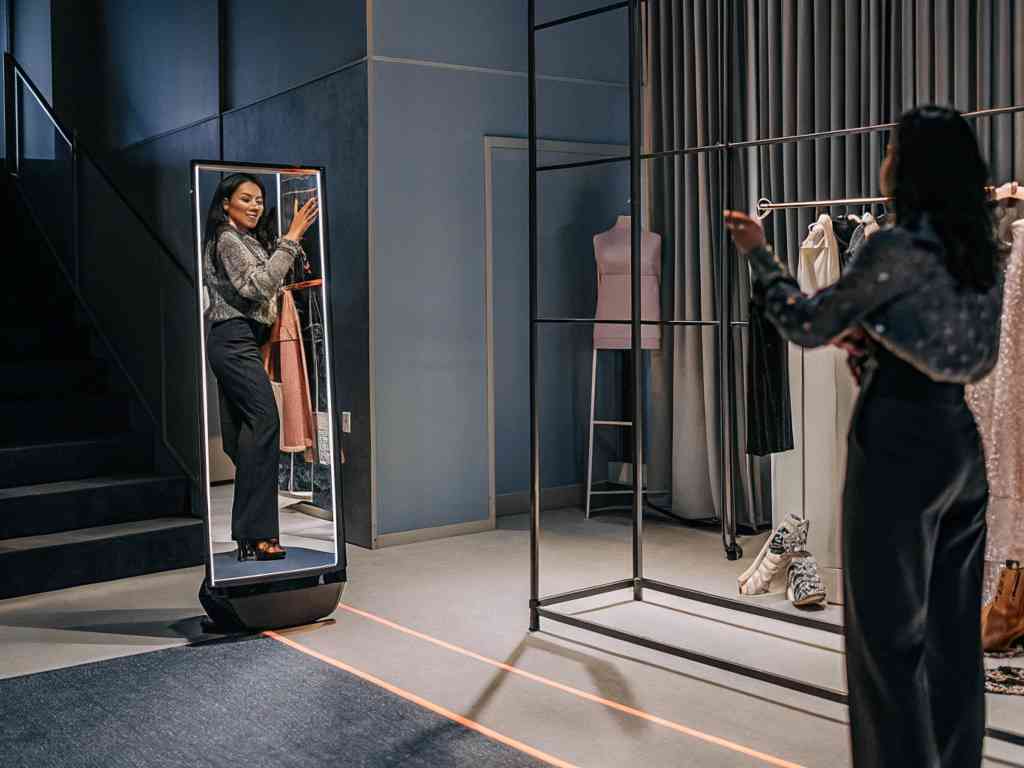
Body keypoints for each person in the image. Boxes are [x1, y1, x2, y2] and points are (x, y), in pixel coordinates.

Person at [725, 106, 1003, 768]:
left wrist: (758, 255)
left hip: (896, 443)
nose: (882, 163)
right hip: (960, 445)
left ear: (908, 169)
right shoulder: (978, 255)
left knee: (887, 648)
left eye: (890, 151)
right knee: (953, 645)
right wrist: (881, 339)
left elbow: (802, 321)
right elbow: (974, 355)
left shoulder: (892, 249)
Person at [202, 173, 318, 562]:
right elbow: (258, 286)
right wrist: (293, 235)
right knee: (265, 422)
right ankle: (258, 533)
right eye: (246, 198)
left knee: (244, 441)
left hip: (244, 339)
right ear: (225, 203)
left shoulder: (247, 239)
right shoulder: (226, 239)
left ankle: (250, 535)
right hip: (232, 339)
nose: (254, 205)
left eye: (258, 200)